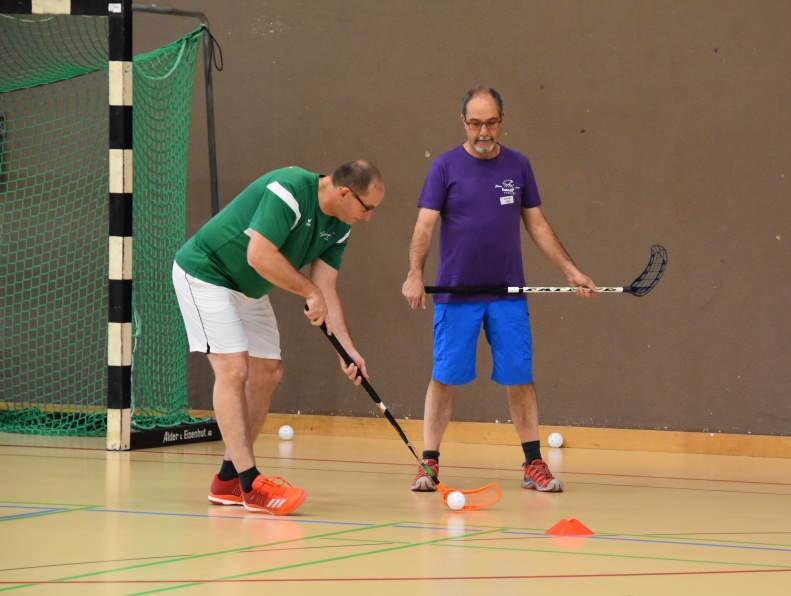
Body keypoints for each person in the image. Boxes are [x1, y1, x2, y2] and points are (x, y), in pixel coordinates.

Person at [401, 86, 595, 493]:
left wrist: (571, 270)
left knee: (520, 377)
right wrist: (414, 273)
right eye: (475, 124)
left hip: (507, 295)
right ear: (463, 123)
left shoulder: (519, 166)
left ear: (502, 121)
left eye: (490, 123)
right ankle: (429, 464)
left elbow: (537, 225)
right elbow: (424, 225)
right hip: (456, 295)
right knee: (444, 377)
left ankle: (532, 464)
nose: (483, 131)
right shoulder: (444, 167)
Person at [173, 160, 385, 514]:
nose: (368, 218)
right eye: (368, 208)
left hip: (248, 290)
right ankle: (250, 483)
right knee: (234, 371)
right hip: (206, 275)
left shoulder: (341, 226)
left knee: (268, 372)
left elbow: (326, 289)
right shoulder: (289, 190)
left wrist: (347, 350)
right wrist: (308, 291)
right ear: (345, 193)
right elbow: (259, 255)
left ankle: (227, 480)